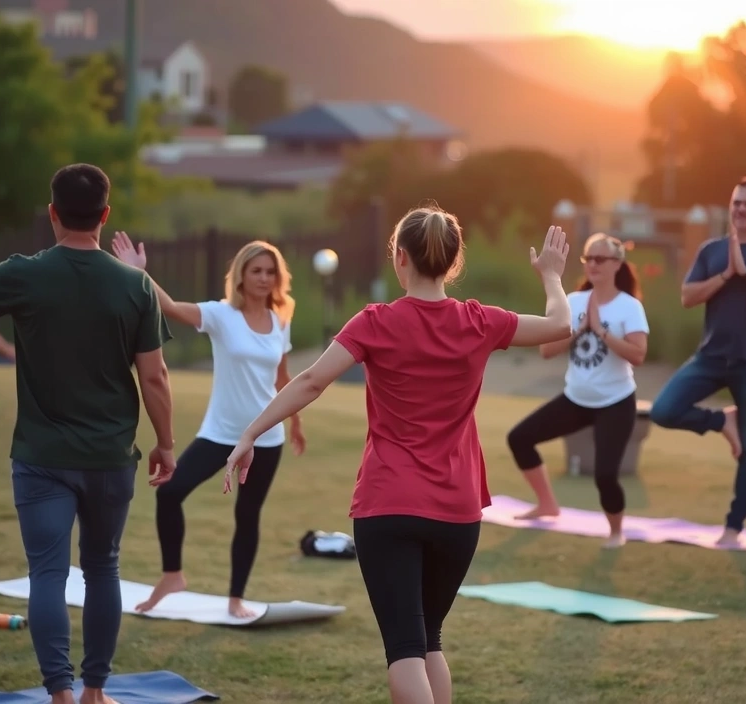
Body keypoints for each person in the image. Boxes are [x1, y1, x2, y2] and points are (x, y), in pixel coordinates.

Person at [221, 204, 573, 704]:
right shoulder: (479, 321)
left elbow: (312, 380)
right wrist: (553, 276)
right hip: (457, 511)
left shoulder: (376, 321)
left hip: (389, 504)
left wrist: (249, 434)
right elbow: (561, 324)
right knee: (429, 642)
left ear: (399, 258)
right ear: (453, 263)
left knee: (406, 649)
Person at [0, 163, 177, 704]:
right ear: (105, 215)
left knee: (48, 575)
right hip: (109, 457)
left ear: (52, 213)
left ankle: (58, 693)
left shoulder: (23, 273)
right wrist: (166, 443)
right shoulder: (135, 285)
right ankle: (94, 692)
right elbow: (155, 375)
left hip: (41, 457)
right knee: (103, 568)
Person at [108, 232, 307, 619]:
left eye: (270, 272)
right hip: (220, 433)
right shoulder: (220, 315)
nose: (264, 278)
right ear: (241, 276)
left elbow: (283, 379)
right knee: (169, 493)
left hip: (266, 437)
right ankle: (172, 575)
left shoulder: (279, 319)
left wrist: (295, 422)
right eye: (256, 271)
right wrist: (138, 274)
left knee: (247, 514)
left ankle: (236, 599)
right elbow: (168, 307)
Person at [648, 176, 746, 546]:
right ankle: (721, 420)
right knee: (663, 410)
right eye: (736, 203)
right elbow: (688, 296)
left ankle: (733, 527)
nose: (741, 210)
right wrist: (726, 273)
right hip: (711, 356)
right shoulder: (711, 250)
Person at [505, 233, 649, 548]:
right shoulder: (573, 302)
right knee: (519, 438)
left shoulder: (629, 306)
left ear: (617, 264)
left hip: (616, 401)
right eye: (588, 259)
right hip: (576, 399)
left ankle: (616, 532)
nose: (593, 265)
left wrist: (601, 332)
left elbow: (638, 355)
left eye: (600, 259)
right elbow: (546, 350)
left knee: (605, 475)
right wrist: (578, 330)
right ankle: (547, 504)